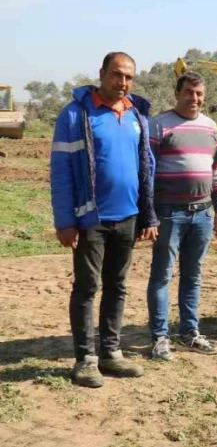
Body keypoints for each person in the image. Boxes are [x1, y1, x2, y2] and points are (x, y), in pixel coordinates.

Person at [50, 52, 158, 388]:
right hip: (89, 220)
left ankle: (111, 352)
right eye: (116, 75)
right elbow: (61, 172)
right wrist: (65, 221)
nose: (122, 82)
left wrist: (147, 214)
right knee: (87, 287)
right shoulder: (75, 114)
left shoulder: (137, 115)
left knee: (118, 286)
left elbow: (147, 169)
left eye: (128, 77)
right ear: (102, 74)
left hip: (127, 217)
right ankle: (86, 359)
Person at [146, 72, 217, 360]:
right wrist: (151, 216)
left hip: (203, 213)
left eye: (199, 93)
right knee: (162, 276)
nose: (195, 98)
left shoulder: (210, 127)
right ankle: (159, 337)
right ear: (176, 93)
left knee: (193, 276)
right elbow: (148, 174)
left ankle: (189, 333)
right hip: (170, 215)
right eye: (189, 92)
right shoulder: (158, 125)